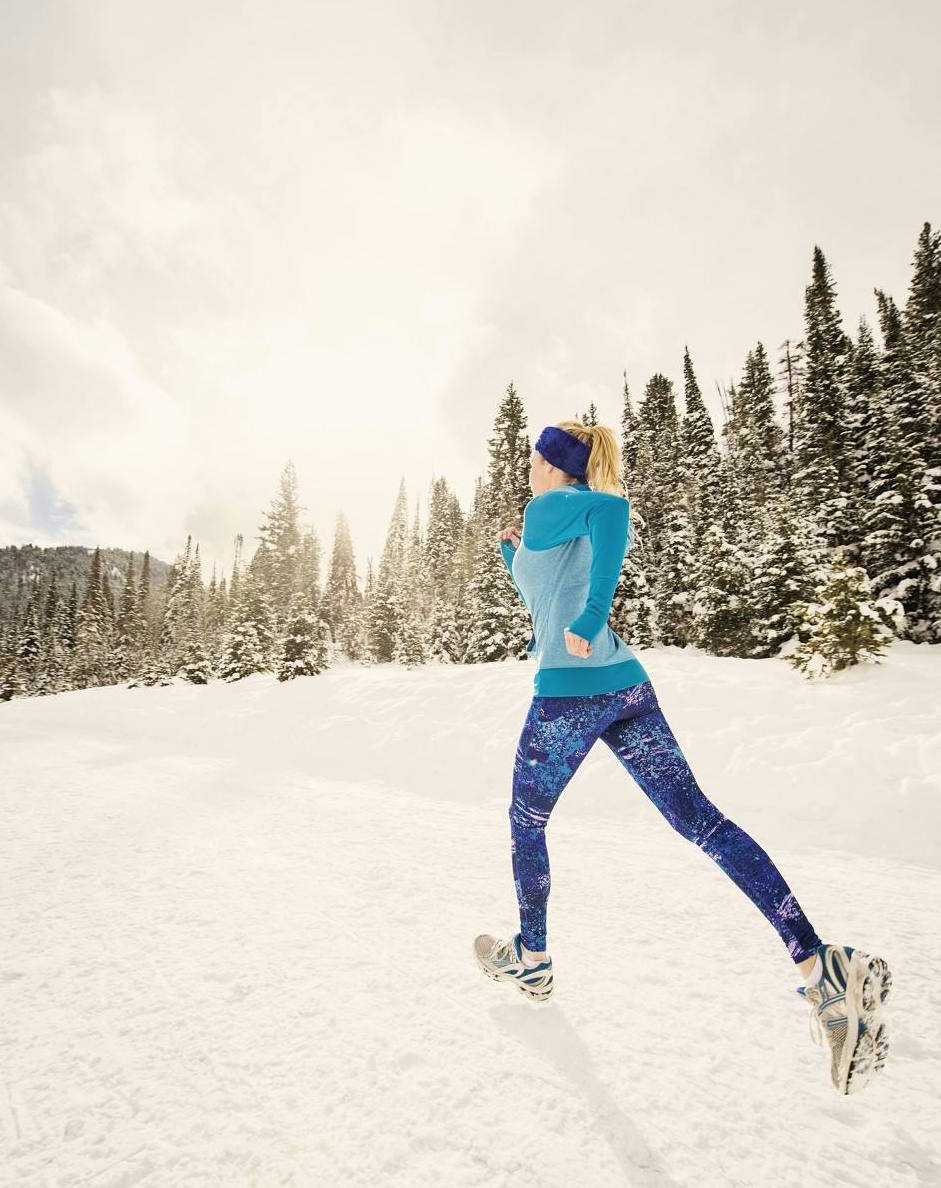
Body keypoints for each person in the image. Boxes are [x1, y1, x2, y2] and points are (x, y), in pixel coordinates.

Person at [472, 420, 893, 1096]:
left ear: (552, 466)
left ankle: (532, 955)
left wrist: (587, 620)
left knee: (526, 824)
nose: (527, 467)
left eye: (533, 458)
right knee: (700, 821)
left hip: (571, 698)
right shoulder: (548, 526)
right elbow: (545, 592)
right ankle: (822, 967)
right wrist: (511, 556)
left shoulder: (560, 504)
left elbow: (613, 513)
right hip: (626, 690)